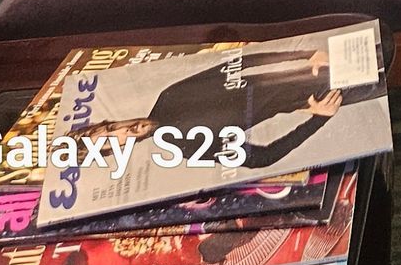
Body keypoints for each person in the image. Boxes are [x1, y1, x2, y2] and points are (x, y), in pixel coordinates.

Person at [136, 47, 381, 173]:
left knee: (388, 53)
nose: (127, 130)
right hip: (315, 98)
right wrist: (317, 120)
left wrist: (304, 55)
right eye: (114, 139)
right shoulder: (182, 145)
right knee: (390, 79)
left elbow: (233, 65)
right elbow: (262, 158)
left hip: (309, 70)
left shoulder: (168, 96)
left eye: (110, 128)